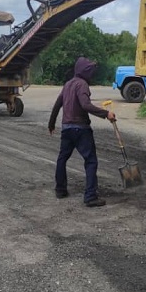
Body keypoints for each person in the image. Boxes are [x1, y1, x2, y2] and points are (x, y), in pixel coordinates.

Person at [48, 57, 116, 207]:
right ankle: (90, 196)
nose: (91, 74)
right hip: (81, 129)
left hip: (66, 128)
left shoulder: (68, 84)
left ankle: (60, 190)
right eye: (90, 71)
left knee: (62, 158)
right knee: (91, 161)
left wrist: (51, 123)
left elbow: (57, 104)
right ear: (85, 71)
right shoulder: (82, 84)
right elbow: (85, 105)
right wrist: (106, 114)